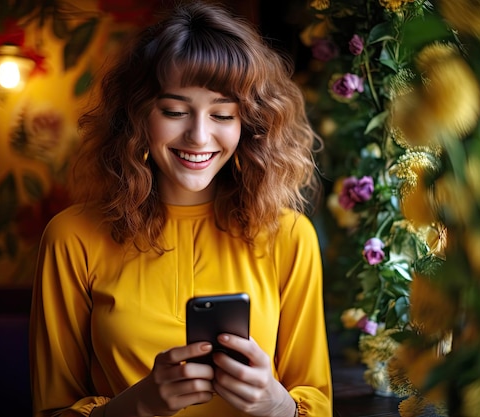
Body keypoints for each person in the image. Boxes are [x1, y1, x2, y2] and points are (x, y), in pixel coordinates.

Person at [29, 1, 332, 416]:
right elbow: (52, 410)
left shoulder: (289, 236)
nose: (199, 136)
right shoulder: (71, 238)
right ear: (136, 116)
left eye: (223, 114)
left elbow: (315, 401)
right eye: (174, 111)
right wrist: (140, 404)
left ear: (250, 123)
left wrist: (279, 406)